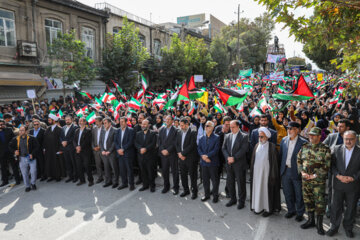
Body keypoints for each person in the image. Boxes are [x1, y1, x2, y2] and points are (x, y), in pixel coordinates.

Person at [297, 127, 331, 235]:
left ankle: (319, 225)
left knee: (319, 203)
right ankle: (310, 221)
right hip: (305, 181)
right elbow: (299, 161)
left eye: (313, 135)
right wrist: (302, 172)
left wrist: (315, 175)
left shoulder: (325, 148)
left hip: (318, 182)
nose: (310, 136)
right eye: (310, 134)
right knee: (308, 201)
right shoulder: (304, 147)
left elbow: (327, 165)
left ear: (319, 136)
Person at [327, 130, 360, 238]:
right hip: (338, 184)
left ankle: (348, 227)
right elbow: (331, 165)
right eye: (346, 139)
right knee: (335, 206)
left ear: (356, 139)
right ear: (343, 139)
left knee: (351, 208)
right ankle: (334, 227)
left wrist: (353, 178)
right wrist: (337, 175)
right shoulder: (336, 149)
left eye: (351, 139)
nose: (348, 141)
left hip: (353, 185)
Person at [323, 118, 351, 217]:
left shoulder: (353, 138)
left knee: (347, 191)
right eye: (338, 126)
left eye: (341, 126)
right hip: (333, 168)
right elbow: (322, 147)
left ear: (347, 128)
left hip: (348, 169)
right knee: (331, 190)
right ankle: (330, 209)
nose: (338, 128)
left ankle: (345, 210)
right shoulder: (331, 136)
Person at [250, 127, 281, 217]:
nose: (260, 138)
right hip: (257, 174)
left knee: (266, 191)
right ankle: (257, 207)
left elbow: (275, 163)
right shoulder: (256, 145)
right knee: (257, 189)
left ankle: (268, 209)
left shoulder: (272, 147)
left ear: (267, 137)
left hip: (267, 175)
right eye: (259, 136)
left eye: (262, 137)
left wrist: (273, 175)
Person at [279, 122, 307, 222]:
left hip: (296, 172)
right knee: (287, 192)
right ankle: (291, 210)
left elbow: (305, 160)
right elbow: (281, 155)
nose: (289, 130)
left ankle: (300, 213)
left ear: (297, 130)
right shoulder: (284, 140)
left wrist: (302, 172)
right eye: (288, 128)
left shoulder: (303, 142)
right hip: (285, 170)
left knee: (299, 194)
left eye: (291, 129)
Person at [222, 120, 249, 209]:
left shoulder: (244, 136)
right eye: (230, 127)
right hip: (229, 163)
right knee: (230, 182)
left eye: (233, 127)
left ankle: (241, 201)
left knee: (241, 183)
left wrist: (234, 158)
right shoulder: (227, 136)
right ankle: (233, 199)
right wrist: (228, 158)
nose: (231, 129)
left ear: (238, 127)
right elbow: (224, 148)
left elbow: (243, 149)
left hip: (239, 164)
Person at [9, 126, 39, 192]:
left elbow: (37, 147)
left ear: (26, 131)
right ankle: (27, 186)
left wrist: (32, 154)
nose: (21, 132)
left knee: (33, 171)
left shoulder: (32, 138)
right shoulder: (16, 139)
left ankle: (33, 183)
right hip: (21, 158)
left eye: (22, 130)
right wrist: (14, 151)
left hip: (31, 157)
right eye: (20, 130)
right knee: (24, 173)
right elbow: (10, 146)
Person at [175, 118, 198, 199]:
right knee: (183, 175)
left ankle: (194, 192)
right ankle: (186, 190)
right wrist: (179, 153)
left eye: (182, 125)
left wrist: (183, 154)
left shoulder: (193, 132)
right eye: (180, 125)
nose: (181, 127)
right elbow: (177, 144)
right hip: (181, 158)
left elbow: (192, 145)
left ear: (187, 124)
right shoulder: (179, 132)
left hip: (190, 158)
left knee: (193, 176)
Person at [197, 121, 220, 203]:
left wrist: (207, 156)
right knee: (205, 180)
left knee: (214, 181)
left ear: (213, 127)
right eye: (205, 126)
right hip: (203, 162)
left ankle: (215, 196)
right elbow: (199, 149)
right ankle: (206, 195)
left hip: (213, 162)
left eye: (208, 126)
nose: (206, 127)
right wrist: (203, 156)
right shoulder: (201, 138)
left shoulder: (217, 137)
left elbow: (216, 149)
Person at [134, 119, 157, 192]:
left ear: (148, 125)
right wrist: (140, 148)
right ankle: (145, 185)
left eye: (145, 124)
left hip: (150, 156)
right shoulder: (138, 134)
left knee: (151, 172)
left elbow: (153, 144)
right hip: (141, 156)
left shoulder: (153, 133)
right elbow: (135, 143)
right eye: (142, 124)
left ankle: (152, 186)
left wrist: (146, 149)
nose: (143, 125)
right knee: (143, 172)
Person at [158, 115, 179, 194]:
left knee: (174, 171)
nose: (167, 121)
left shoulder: (176, 130)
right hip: (164, 154)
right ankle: (166, 186)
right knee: (165, 171)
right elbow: (159, 141)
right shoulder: (162, 129)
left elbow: (175, 142)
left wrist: (168, 150)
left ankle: (176, 187)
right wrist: (162, 150)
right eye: (166, 119)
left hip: (172, 154)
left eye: (169, 119)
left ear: (172, 121)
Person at [115, 117, 136, 191]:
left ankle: (131, 184)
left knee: (129, 169)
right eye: (120, 122)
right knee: (122, 169)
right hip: (120, 153)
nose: (121, 123)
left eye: (123, 122)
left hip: (127, 153)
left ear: (126, 122)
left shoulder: (131, 130)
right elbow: (116, 141)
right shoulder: (117, 131)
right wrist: (118, 149)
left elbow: (130, 142)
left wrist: (123, 149)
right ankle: (124, 183)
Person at [0, 119, 21, 187]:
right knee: (3, 167)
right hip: (2, 153)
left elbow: (14, 139)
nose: (1, 126)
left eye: (2, 124)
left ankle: (17, 180)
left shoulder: (9, 129)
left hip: (10, 151)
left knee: (14, 166)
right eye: (0, 124)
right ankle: (5, 181)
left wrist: (15, 149)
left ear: (4, 124)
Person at [73, 117, 93, 186]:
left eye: (82, 121)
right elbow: (74, 140)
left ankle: (90, 180)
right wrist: (76, 147)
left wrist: (80, 147)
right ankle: (82, 180)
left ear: (85, 122)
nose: (80, 122)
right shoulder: (76, 130)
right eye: (79, 121)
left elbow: (87, 141)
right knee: (79, 166)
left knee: (87, 166)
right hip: (77, 151)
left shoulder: (88, 130)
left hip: (85, 151)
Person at [100, 117, 119, 188]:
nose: (104, 125)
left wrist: (109, 151)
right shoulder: (103, 131)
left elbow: (115, 142)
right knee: (106, 168)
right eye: (103, 123)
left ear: (110, 123)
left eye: (105, 123)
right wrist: (102, 150)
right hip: (104, 153)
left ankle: (115, 182)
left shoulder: (115, 130)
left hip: (112, 153)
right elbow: (101, 142)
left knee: (114, 168)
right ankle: (108, 181)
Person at [43, 114, 62, 182]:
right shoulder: (48, 129)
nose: (48, 121)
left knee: (56, 163)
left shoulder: (59, 129)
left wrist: (60, 149)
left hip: (56, 149)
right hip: (48, 149)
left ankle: (58, 176)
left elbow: (61, 140)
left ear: (54, 120)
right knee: (49, 163)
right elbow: (45, 139)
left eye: (50, 120)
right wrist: (44, 148)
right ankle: (51, 176)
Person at [60, 115, 78, 183]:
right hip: (65, 148)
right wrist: (62, 142)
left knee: (74, 163)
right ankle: (70, 176)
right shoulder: (63, 127)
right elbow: (61, 137)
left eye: (68, 120)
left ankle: (76, 176)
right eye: (66, 120)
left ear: (71, 120)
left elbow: (74, 137)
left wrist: (67, 142)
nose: (67, 121)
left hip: (72, 148)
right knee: (67, 163)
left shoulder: (75, 127)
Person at [91, 116, 104, 184]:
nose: (95, 123)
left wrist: (100, 147)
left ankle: (109, 178)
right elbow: (92, 140)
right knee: (98, 165)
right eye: (95, 121)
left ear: (101, 121)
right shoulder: (94, 129)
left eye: (96, 121)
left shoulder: (105, 128)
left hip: (103, 150)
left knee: (106, 164)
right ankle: (100, 177)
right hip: (96, 150)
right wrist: (93, 147)